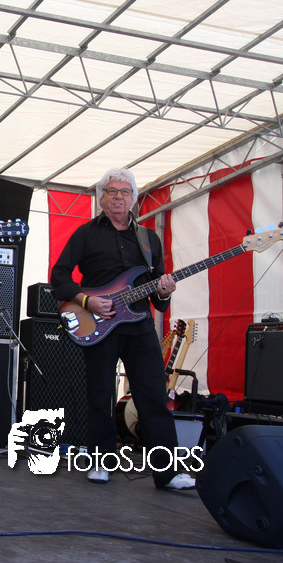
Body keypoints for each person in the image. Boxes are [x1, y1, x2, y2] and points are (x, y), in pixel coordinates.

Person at [49, 167, 195, 490]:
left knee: (153, 397)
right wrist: (87, 301)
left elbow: (158, 293)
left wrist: (164, 291)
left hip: (139, 325)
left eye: (124, 192)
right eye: (111, 191)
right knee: (100, 395)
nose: (118, 197)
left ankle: (168, 473)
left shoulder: (149, 239)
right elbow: (59, 276)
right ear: (101, 198)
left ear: (134, 199)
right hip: (98, 324)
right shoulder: (86, 234)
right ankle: (100, 462)